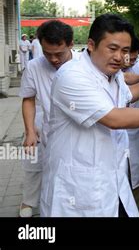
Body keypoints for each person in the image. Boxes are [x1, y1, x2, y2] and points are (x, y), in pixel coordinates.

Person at [40, 14, 139, 217]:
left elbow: (127, 97)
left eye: (125, 51)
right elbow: (114, 118)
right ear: (91, 45)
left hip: (111, 182)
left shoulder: (112, 74)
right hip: (78, 189)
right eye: (112, 48)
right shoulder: (72, 76)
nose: (119, 57)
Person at [18, 21, 80, 217]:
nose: (53, 59)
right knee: (34, 163)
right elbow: (28, 98)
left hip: (79, 132)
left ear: (70, 44)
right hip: (48, 128)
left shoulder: (84, 64)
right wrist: (29, 131)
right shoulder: (34, 67)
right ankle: (29, 201)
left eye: (59, 54)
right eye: (47, 53)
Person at [121, 36, 139, 210]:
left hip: (135, 133)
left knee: (135, 179)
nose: (130, 62)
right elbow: (125, 78)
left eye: (134, 58)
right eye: (127, 58)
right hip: (112, 134)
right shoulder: (107, 68)